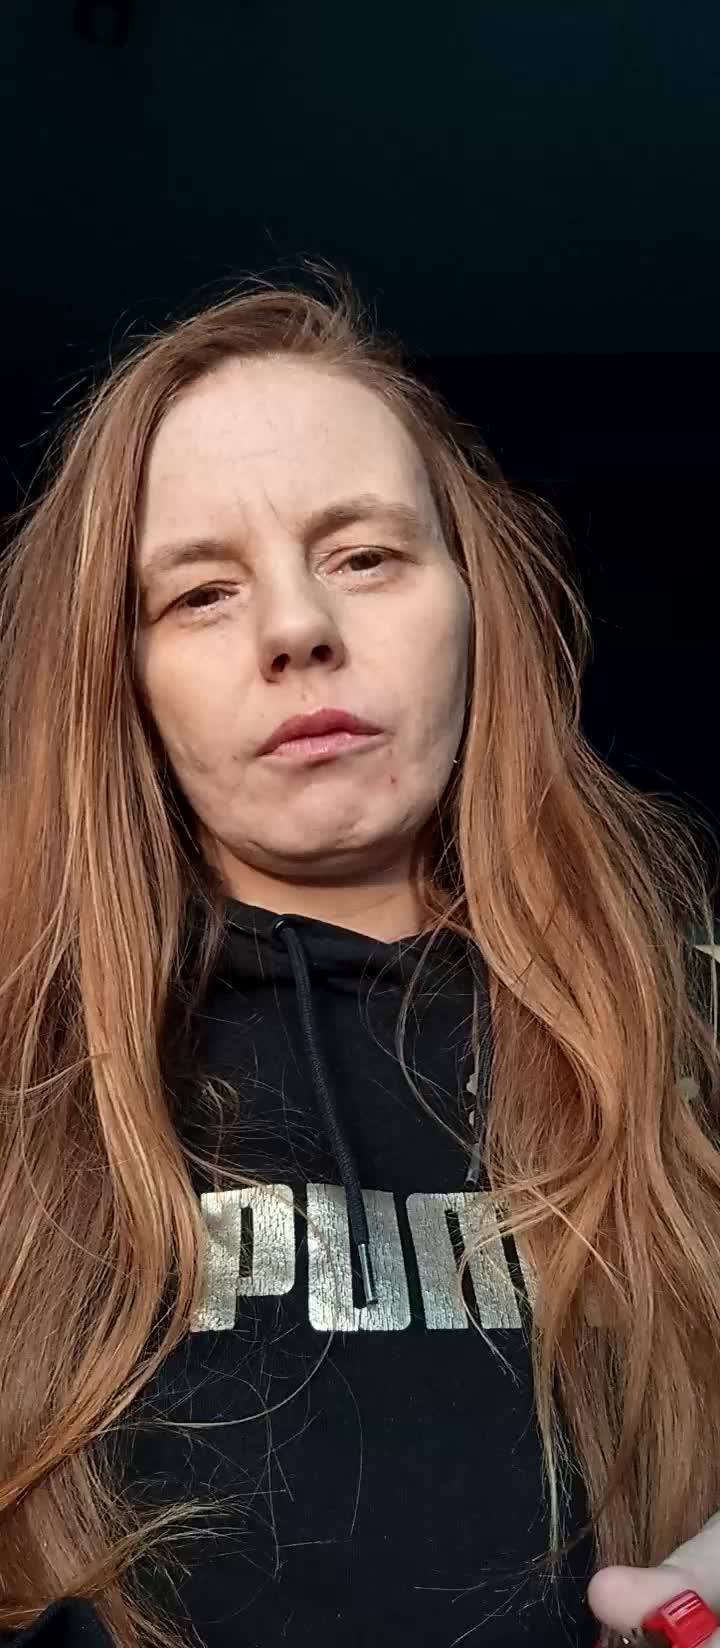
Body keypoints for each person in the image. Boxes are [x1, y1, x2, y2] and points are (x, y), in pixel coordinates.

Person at [0, 267, 718, 1648]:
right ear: (119, 681)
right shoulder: (22, 1079)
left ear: (474, 600)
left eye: (366, 556)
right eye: (200, 593)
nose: (297, 629)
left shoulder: (691, 1028)